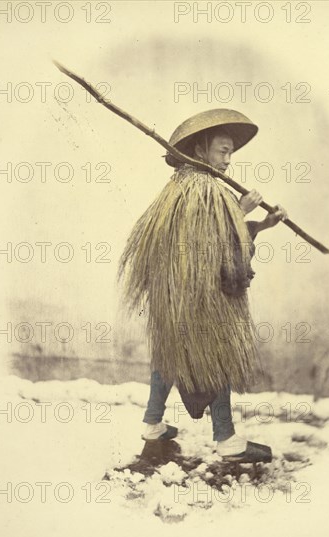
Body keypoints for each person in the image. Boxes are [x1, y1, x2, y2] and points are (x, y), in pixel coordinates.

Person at [118, 109, 287, 461]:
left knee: (170, 354)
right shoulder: (199, 188)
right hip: (196, 298)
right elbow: (205, 240)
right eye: (222, 152)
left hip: (177, 298)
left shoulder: (187, 187)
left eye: (231, 153)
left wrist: (263, 224)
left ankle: (152, 426)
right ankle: (227, 442)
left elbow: (224, 234)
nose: (228, 160)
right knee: (216, 355)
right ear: (200, 150)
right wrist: (239, 211)